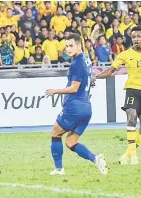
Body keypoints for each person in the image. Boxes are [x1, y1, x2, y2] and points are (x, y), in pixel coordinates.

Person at [95, 26, 141, 165]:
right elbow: (110, 70)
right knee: (131, 117)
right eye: (134, 37)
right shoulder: (124, 54)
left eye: (139, 36)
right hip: (132, 89)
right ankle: (134, 157)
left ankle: (128, 153)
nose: (136, 39)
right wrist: (96, 76)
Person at [45, 33, 107, 176]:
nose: (68, 49)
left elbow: (73, 88)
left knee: (55, 133)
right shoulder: (86, 59)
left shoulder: (76, 63)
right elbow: (89, 77)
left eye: (71, 46)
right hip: (86, 108)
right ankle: (96, 159)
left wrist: (55, 91)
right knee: (71, 142)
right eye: (66, 46)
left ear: (79, 45)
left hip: (74, 107)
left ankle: (59, 169)